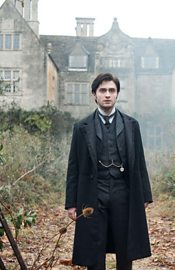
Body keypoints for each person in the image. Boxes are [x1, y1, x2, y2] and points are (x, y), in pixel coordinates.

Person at [65, 73, 152, 269]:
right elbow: (74, 167)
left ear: (117, 94)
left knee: (125, 245)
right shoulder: (81, 127)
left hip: (124, 192)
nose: (107, 95)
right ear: (94, 94)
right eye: (102, 90)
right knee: (93, 247)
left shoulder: (131, 125)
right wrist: (71, 203)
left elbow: (139, 162)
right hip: (93, 192)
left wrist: (144, 195)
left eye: (111, 91)